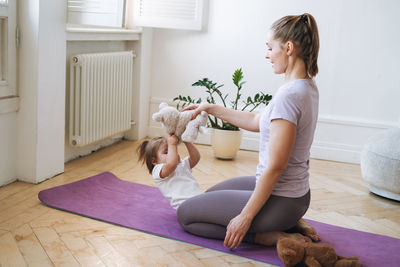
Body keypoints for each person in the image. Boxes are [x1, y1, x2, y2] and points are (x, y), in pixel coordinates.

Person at [177, 13, 321, 249]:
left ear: (288, 47)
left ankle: (269, 235)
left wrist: (245, 217)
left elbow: (276, 167)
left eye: (269, 47)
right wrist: (210, 108)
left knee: (187, 215)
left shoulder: (290, 95)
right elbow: (256, 120)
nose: (267, 54)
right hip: (295, 198)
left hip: (283, 201)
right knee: (206, 197)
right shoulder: (305, 86)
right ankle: (292, 222)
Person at [137, 135, 202, 210]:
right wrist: (172, 144)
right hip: (186, 208)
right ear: (154, 161)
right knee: (217, 198)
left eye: (173, 150)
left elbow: (196, 158)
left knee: (218, 191)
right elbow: (171, 163)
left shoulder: (181, 164)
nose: (173, 152)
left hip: (198, 202)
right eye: (167, 152)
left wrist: (187, 141)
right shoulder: (158, 169)